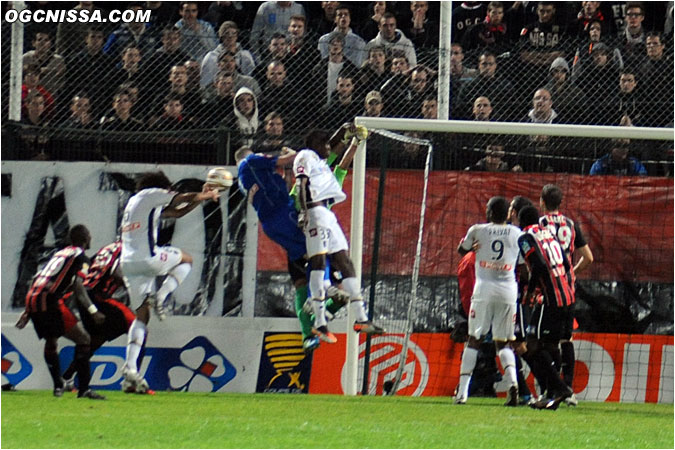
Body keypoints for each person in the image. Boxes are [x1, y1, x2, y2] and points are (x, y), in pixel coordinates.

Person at [119, 171, 220, 392]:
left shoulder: (135, 203)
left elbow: (176, 213)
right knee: (187, 259)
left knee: (141, 316)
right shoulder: (151, 194)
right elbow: (180, 198)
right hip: (148, 259)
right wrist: (205, 195)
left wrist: (198, 200)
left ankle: (130, 370)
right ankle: (162, 296)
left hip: (128, 265)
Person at [293, 129, 385, 342]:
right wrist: (304, 213)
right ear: (314, 143)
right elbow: (300, 183)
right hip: (314, 212)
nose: (328, 148)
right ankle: (319, 322)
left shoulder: (322, 164)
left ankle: (361, 318)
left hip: (327, 214)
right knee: (318, 262)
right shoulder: (305, 156)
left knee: (345, 261)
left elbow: (336, 146)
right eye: (324, 144)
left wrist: (350, 133)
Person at [17, 225, 106, 400]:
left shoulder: (61, 253)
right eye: (89, 235)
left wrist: (28, 311)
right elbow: (79, 287)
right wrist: (93, 310)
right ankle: (84, 389)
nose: (91, 238)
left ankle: (58, 386)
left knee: (51, 341)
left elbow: (38, 277)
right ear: (85, 238)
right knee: (84, 339)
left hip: (34, 296)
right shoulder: (81, 257)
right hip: (48, 299)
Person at [454, 197, 521, 406]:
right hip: (508, 291)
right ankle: (513, 384)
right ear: (508, 215)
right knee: (504, 342)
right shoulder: (518, 234)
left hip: (484, 289)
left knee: (474, 339)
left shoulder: (478, 230)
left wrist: (471, 249)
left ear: (490, 212)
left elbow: (462, 250)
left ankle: (462, 393)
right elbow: (523, 262)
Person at [60, 241, 141, 393]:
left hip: (87, 296)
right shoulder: (127, 249)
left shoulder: (108, 248)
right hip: (97, 296)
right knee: (137, 326)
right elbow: (117, 273)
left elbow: (90, 269)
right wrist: (135, 288)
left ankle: (66, 378)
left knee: (95, 339)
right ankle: (132, 380)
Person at [539, 184, 593, 405]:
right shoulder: (570, 224)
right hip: (568, 287)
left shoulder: (540, 224)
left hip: (548, 289)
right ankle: (568, 390)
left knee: (545, 340)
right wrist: (571, 272)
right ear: (560, 203)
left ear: (542, 202)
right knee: (566, 337)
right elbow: (588, 257)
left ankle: (551, 389)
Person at [516, 205, 575, 410]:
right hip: (567, 295)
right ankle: (551, 395)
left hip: (551, 299)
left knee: (532, 344)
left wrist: (531, 291)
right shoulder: (549, 232)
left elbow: (538, 265)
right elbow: (567, 265)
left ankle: (559, 388)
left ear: (520, 220)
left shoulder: (525, 238)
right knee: (550, 345)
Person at [201, 21, 256, 87]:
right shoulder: (211, 57)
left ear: (237, 36)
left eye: (233, 33)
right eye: (227, 33)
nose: (230, 36)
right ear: (221, 36)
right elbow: (206, 81)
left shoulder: (245, 55)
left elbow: (251, 74)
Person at [317, 4, 367, 68]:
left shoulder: (359, 42)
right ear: (335, 19)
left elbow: (358, 65)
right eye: (340, 15)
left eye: (346, 14)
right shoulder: (324, 40)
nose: (343, 17)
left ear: (349, 19)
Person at [22, 31, 66, 99]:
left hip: (51, 96)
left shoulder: (58, 60)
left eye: (46, 40)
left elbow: (61, 82)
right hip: (28, 96)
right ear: (34, 43)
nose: (42, 43)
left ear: (50, 43)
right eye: (39, 40)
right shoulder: (26, 58)